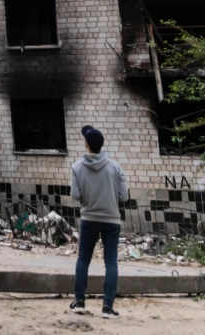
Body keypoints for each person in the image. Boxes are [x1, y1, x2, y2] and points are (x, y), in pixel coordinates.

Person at [68, 125, 128, 319]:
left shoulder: (77, 167)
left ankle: (79, 301)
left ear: (86, 145)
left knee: (83, 259)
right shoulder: (115, 167)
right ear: (101, 146)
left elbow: (75, 195)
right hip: (111, 219)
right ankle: (107, 307)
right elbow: (124, 196)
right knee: (111, 262)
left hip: (89, 218)